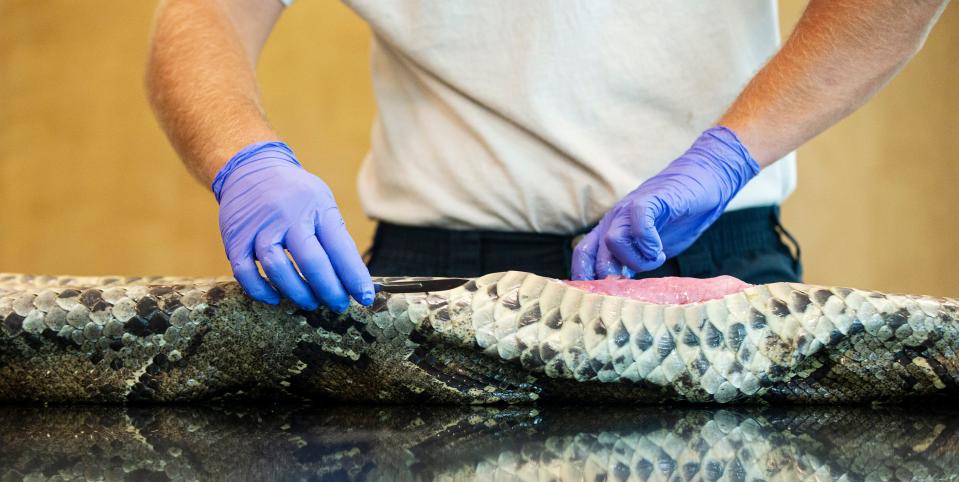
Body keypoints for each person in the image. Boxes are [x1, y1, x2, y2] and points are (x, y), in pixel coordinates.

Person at [146, 1, 948, 310]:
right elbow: (201, 15)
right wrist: (246, 159)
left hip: (709, 267)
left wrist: (730, 154)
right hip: (435, 281)